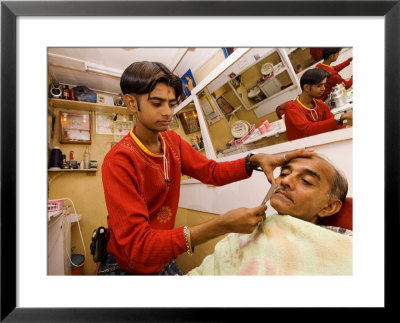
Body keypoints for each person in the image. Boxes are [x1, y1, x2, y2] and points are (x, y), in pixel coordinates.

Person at [99, 61, 315, 275]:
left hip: (161, 258)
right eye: (157, 103)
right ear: (131, 103)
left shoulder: (172, 141)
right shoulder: (119, 160)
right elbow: (138, 246)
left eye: (172, 104)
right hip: (127, 265)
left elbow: (211, 172)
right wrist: (222, 225)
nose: (168, 112)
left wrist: (252, 160)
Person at [188, 154, 352, 275]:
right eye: (284, 174)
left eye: (306, 181)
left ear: (329, 206)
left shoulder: (346, 254)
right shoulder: (248, 233)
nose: (284, 181)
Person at [284, 68, 353, 141]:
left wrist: (346, 129)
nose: (323, 88)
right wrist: (342, 117)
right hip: (301, 149)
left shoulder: (320, 104)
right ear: (306, 87)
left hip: (319, 143)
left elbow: (333, 123)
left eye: (324, 85)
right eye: (319, 85)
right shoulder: (292, 108)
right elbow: (308, 130)